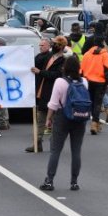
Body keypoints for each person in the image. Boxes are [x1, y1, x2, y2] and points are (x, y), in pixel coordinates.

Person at [38, 57, 89, 191]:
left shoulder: (60, 82)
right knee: (76, 150)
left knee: (55, 150)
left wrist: (49, 119)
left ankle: (49, 181)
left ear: (64, 68)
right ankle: (74, 182)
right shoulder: (84, 81)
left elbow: (54, 104)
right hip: (80, 118)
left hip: (62, 117)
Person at [28, 36, 66, 152]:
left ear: (60, 46)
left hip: (53, 92)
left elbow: (57, 75)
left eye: (54, 43)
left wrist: (41, 72)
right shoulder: (48, 56)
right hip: (43, 92)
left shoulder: (63, 60)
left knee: (55, 120)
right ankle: (37, 143)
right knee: (40, 119)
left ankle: (54, 143)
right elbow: (38, 60)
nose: (52, 45)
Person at [80, 37, 108, 135]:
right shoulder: (104, 54)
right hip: (100, 81)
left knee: (91, 102)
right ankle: (94, 123)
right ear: (102, 43)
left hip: (88, 81)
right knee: (98, 103)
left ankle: (95, 123)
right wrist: (107, 82)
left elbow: (81, 71)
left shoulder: (86, 54)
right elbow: (107, 70)